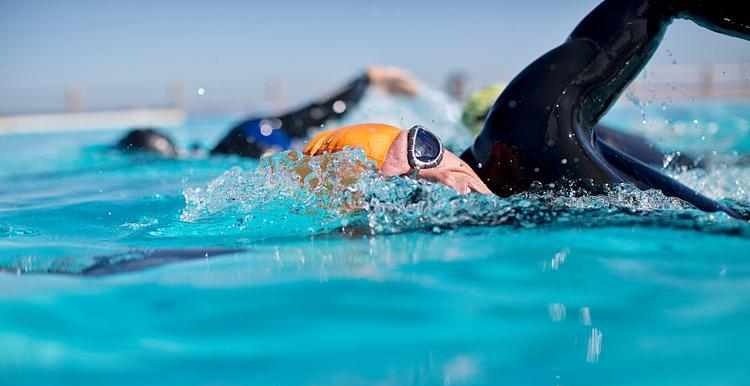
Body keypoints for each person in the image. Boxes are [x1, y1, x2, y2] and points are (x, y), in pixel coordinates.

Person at [301, 0, 748, 218]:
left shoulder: (528, 130)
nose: (438, 179)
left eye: (424, 148)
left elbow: (648, 3)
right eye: (407, 192)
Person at [116, 66, 419, 158]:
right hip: (253, 128)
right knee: (324, 112)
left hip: (251, 136)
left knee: (321, 117)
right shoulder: (228, 142)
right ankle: (366, 79)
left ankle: (367, 78)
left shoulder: (227, 150)